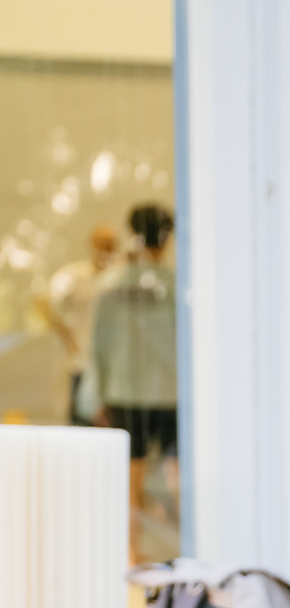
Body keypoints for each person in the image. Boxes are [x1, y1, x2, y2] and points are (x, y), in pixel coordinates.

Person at [85, 203, 178, 532]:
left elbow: (96, 344)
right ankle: (189, 543)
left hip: (123, 391)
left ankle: (132, 550)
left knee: (131, 472)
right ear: (166, 239)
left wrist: (96, 394)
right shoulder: (173, 286)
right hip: (168, 391)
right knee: (175, 468)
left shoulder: (110, 284)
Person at [39, 222, 120, 423]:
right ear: (92, 244)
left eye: (110, 243)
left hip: (116, 368)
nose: (106, 248)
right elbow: (43, 302)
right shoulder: (74, 275)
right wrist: (65, 334)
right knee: (81, 423)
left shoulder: (121, 277)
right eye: (102, 242)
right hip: (81, 363)